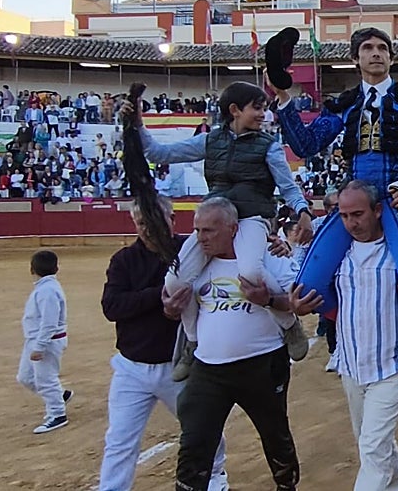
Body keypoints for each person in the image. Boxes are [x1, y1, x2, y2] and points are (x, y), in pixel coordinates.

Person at [130, 82, 312, 379]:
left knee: (252, 272)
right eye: (257, 108)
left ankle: (289, 325)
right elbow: (158, 152)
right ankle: (192, 340)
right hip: (214, 219)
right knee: (175, 281)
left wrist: (302, 211)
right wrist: (137, 122)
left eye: (265, 108)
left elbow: (287, 186)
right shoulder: (209, 141)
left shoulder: (269, 146)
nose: (264, 115)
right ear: (234, 111)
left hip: (252, 219)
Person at [274, 27, 398, 318]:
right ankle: (351, 321)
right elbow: (305, 146)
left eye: (382, 48)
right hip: (353, 204)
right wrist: (284, 97)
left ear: (391, 58)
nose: (376, 53)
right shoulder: (344, 105)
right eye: (368, 48)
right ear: (355, 58)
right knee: (308, 287)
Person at [292, 180, 398, 491]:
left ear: (378, 211)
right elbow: (309, 297)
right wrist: (297, 306)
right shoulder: (337, 256)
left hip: (393, 362)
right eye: (344, 215)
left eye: (358, 214)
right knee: (371, 440)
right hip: (351, 363)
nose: (351, 222)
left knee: (372, 447)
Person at [98, 198, 231, 491]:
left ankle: (214, 474)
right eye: (141, 223)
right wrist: (160, 295)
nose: (147, 229)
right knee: (119, 439)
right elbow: (111, 306)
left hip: (180, 365)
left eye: (153, 221)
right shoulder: (124, 260)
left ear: (172, 220)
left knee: (202, 427)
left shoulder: (193, 251)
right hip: (131, 368)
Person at [170, 197, 301, 491]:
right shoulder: (194, 264)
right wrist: (169, 307)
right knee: (194, 439)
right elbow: (172, 304)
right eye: (197, 230)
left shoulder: (268, 255)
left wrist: (267, 299)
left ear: (231, 229)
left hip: (262, 364)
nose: (200, 238)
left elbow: (296, 302)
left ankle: (286, 485)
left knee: (275, 434)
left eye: (208, 231)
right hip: (208, 368)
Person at [19, 250, 70, 435]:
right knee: (25, 377)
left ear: (32, 269)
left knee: (45, 380)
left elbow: (49, 322)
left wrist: (40, 346)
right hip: (36, 340)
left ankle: (57, 414)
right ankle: (60, 396)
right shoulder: (45, 288)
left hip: (46, 342)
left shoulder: (47, 291)